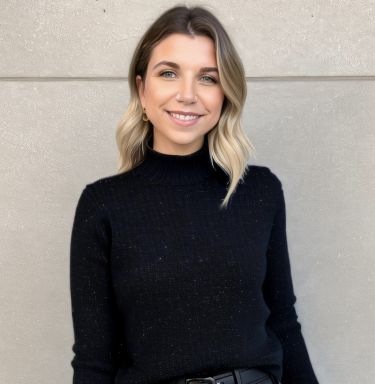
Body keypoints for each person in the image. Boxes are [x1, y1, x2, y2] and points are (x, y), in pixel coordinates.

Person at [69, 5, 319, 384]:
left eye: (208, 78)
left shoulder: (260, 192)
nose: (187, 95)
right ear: (141, 88)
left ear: (225, 93)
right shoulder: (103, 207)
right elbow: (94, 361)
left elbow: (284, 322)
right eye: (168, 73)